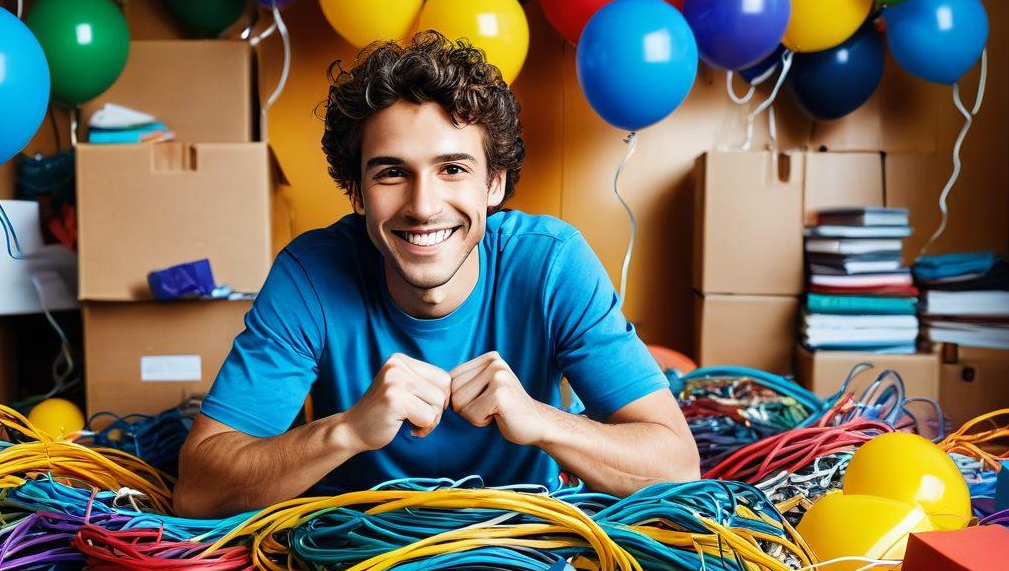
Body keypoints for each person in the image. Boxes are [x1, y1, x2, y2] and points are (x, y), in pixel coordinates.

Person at [173, 32, 699, 518]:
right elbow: (196, 490)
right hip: (355, 550)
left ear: (494, 184)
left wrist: (541, 420)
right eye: (391, 172)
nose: (422, 207)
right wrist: (348, 431)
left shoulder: (552, 263)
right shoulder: (310, 273)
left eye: (452, 169)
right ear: (358, 192)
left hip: (522, 542)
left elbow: (678, 465)